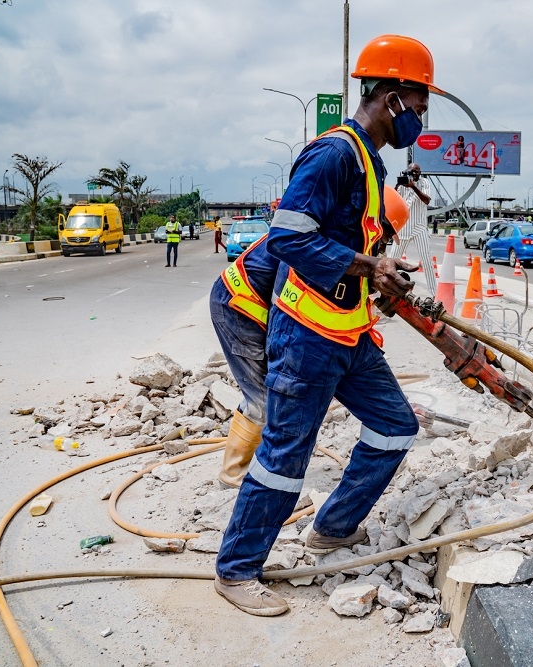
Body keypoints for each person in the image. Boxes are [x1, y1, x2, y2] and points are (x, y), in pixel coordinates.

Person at [214, 33, 439, 617]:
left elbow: (348, 246)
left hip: (347, 331)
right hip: (307, 332)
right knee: (287, 452)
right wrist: (369, 265)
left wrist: (381, 278)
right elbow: (290, 238)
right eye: (418, 107)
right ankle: (237, 570)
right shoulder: (334, 154)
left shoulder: (371, 161)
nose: (419, 119)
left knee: (394, 426)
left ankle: (332, 527)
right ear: (391, 98)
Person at [210, 185, 411, 491]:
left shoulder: (342, 238)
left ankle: (254, 462)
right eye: (383, 232)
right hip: (239, 306)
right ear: (372, 220)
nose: (382, 241)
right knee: (266, 397)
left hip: (251, 306)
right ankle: (233, 475)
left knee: (273, 392)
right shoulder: (323, 241)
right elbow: (289, 300)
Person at [390, 162, 435, 293]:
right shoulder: (403, 184)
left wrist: (413, 187)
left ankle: (434, 293)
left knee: (427, 260)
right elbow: (392, 197)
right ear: (407, 171)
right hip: (403, 227)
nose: (415, 173)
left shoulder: (424, 182)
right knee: (392, 261)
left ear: (420, 172)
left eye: (417, 171)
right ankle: (388, 292)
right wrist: (399, 183)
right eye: (412, 171)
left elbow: (427, 200)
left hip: (419, 226)